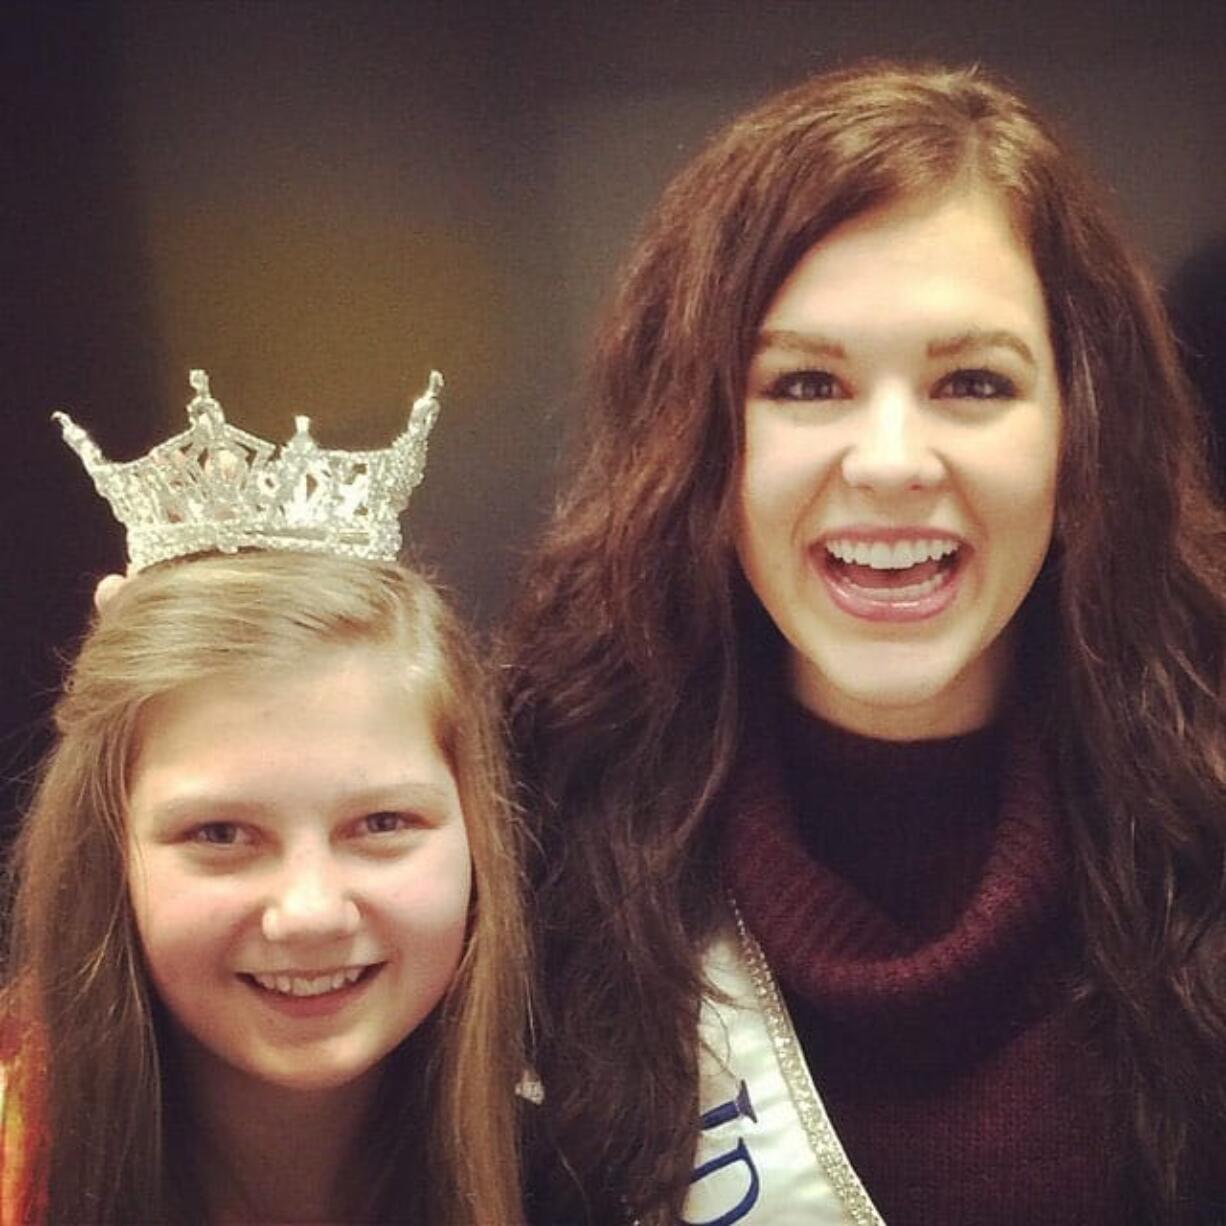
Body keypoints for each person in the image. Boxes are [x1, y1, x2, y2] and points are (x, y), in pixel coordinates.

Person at [503, 61, 1225, 1225]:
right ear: (696, 437)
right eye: (805, 382)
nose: (890, 460)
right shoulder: (528, 823)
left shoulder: (1202, 804)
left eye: (973, 381)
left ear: (1080, 431)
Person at [1, 374, 527, 1224]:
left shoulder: (615, 1156)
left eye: (382, 824)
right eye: (219, 832)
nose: (311, 912)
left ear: (476, 831)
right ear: (108, 848)